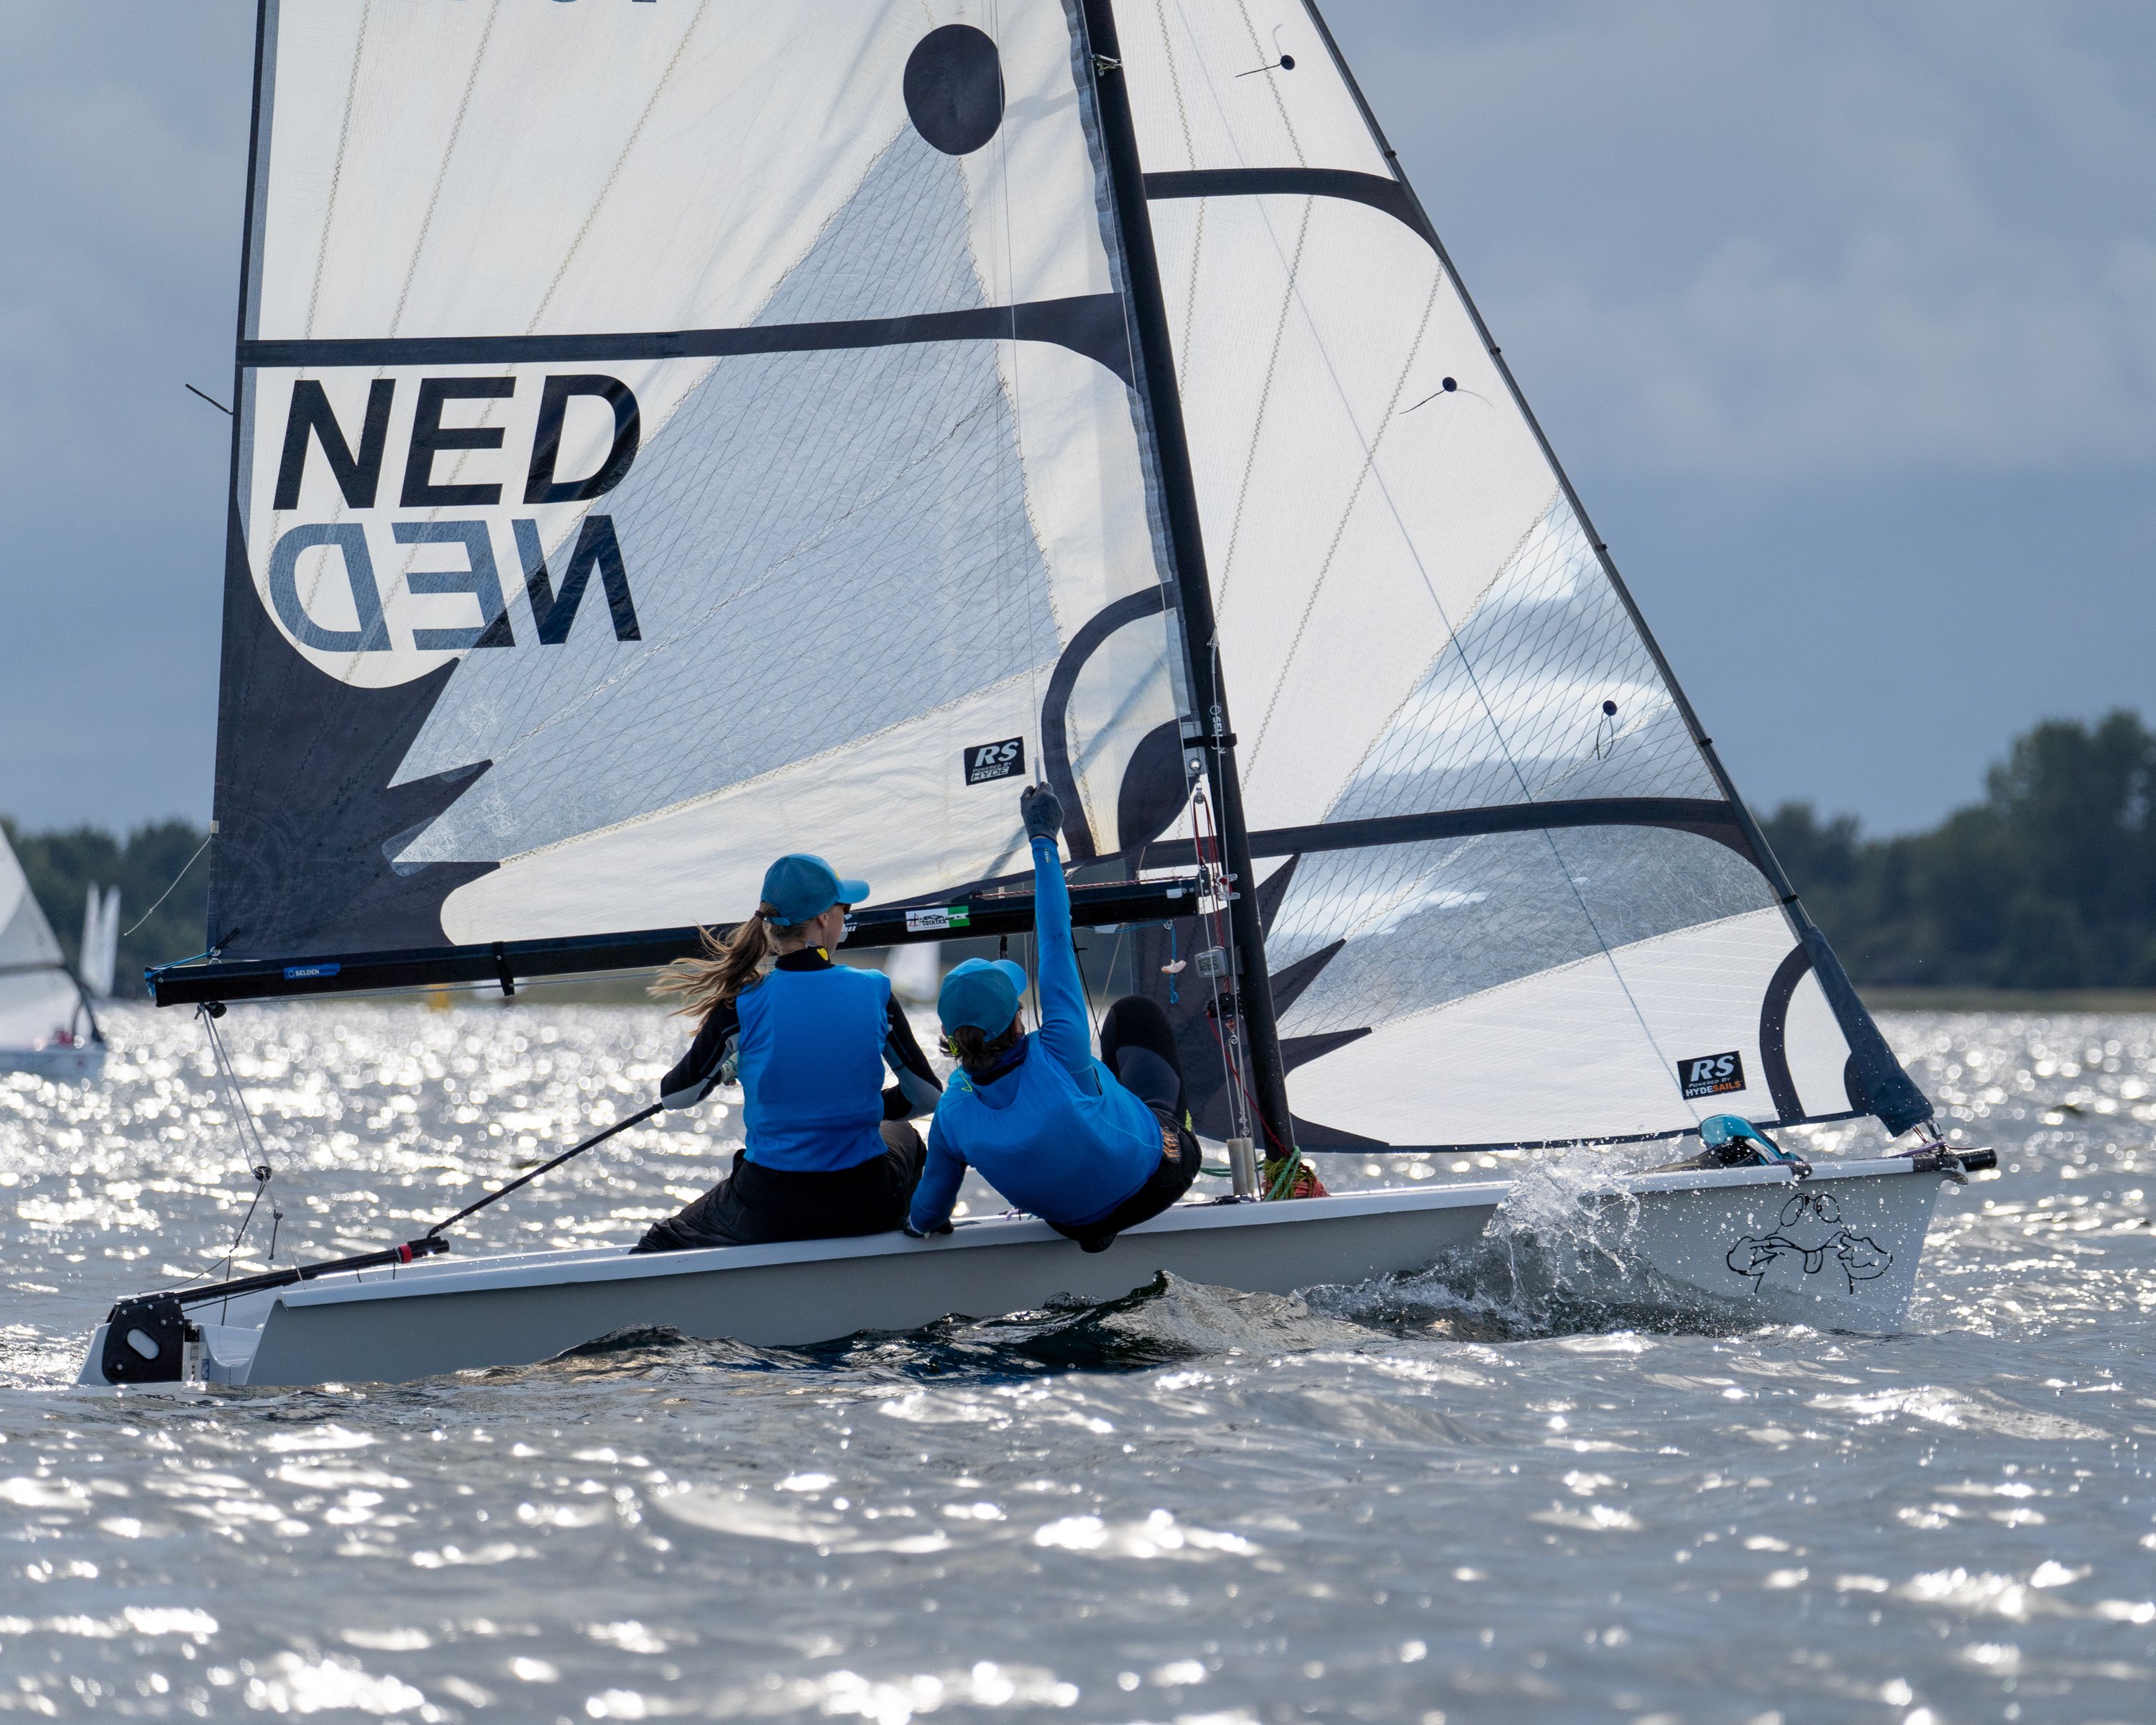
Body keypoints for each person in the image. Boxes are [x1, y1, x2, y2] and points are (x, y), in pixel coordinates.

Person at [908, 783, 1202, 1252]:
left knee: (1093, 1097)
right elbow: (1055, 937)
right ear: (1017, 1019)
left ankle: (1096, 1216)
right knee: (1135, 1014)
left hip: (1073, 1223)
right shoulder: (1059, 1048)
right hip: (1155, 1184)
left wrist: (917, 1226)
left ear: (948, 1035)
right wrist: (1043, 837)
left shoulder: (951, 1113)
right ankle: (1163, 1133)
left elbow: (928, 1213)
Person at [632, 853, 942, 1252]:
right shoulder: (874, 990)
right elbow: (927, 1097)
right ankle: (902, 1247)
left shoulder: (743, 1000)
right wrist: (857, 1108)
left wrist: (724, 1070)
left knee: (657, 1245)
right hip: (865, 1198)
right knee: (907, 1137)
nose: (845, 918)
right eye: (844, 909)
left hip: (771, 1204)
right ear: (823, 918)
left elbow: (677, 1096)